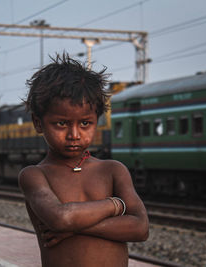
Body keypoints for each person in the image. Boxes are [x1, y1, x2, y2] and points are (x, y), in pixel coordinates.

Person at [19, 54, 149, 267]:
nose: (74, 135)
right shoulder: (35, 175)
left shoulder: (113, 170)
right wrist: (115, 206)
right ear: (38, 123)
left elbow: (141, 228)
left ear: (96, 121)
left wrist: (75, 227)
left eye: (86, 123)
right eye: (61, 124)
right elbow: (60, 218)